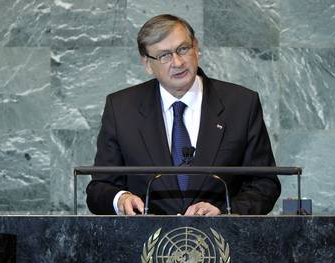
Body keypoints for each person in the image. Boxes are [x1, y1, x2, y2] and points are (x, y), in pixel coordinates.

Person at [86, 14, 281, 216]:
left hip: (222, 241)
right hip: (145, 242)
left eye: (183, 49)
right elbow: (99, 188)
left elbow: (265, 183)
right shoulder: (121, 109)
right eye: (164, 56)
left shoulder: (241, 103)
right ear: (147, 63)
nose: (177, 62)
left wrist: (225, 213)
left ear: (196, 47)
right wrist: (121, 199)